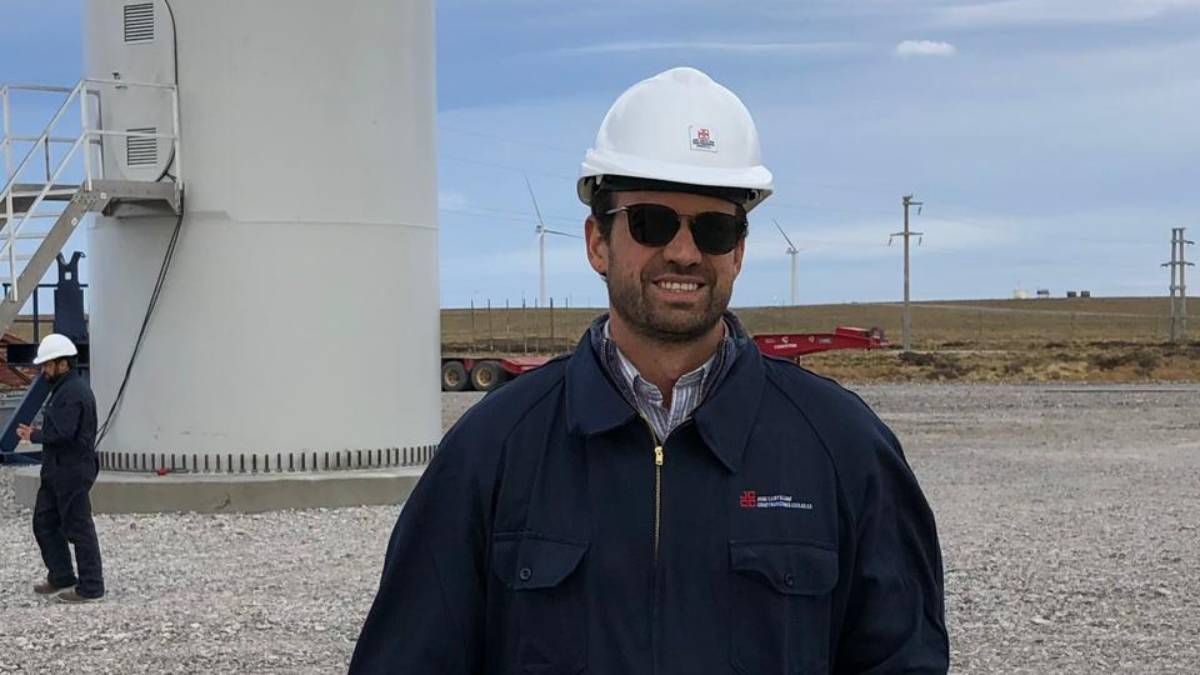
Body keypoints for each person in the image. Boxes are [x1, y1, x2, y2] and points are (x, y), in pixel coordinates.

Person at [351, 67, 947, 674]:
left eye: (714, 227)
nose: (684, 251)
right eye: (652, 222)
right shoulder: (493, 451)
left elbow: (901, 660)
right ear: (597, 243)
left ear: (739, 251)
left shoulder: (843, 447)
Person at [17, 333, 104, 603]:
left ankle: (91, 587)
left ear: (62, 364)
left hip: (72, 470)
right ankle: (62, 575)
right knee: (45, 522)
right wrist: (40, 433)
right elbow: (63, 429)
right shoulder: (66, 390)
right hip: (58, 470)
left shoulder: (73, 392)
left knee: (78, 527)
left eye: (47, 365)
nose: (43, 371)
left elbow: (65, 434)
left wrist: (34, 436)